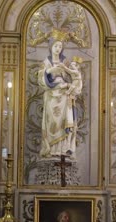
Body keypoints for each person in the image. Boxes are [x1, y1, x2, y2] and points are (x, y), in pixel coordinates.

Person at [38, 30, 82, 159]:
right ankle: (50, 148)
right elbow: (40, 80)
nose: (58, 49)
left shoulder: (66, 62)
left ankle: (63, 148)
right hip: (51, 96)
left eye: (60, 46)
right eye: (56, 46)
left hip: (64, 96)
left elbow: (75, 77)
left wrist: (70, 86)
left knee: (64, 123)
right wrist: (49, 71)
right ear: (51, 47)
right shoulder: (46, 62)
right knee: (52, 122)